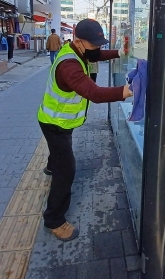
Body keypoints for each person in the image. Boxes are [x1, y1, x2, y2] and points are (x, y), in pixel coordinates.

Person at [38, 19, 132, 242]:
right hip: (55, 124)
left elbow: (95, 55)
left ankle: (52, 165)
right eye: (94, 44)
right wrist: (129, 90)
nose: (97, 48)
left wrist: (119, 52)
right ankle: (54, 220)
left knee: (59, 155)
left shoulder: (75, 51)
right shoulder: (69, 66)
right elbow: (96, 94)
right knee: (67, 170)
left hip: (58, 121)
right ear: (78, 41)